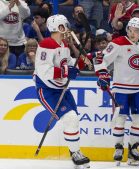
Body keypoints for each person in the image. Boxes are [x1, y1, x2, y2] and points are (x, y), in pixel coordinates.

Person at [33, 14, 90, 169]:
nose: (68, 28)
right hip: (47, 90)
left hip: (62, 88)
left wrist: (81, 64)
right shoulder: (46, 44)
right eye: (65, 25)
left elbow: (68, 63)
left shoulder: (63, 44)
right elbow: (44, 70)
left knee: (74, 119)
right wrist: (66, 72)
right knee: (71, 118)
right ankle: (76, 152)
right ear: (58, 27)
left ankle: (74, 151)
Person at [95, 17, 139, 166]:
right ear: (127, 29)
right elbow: (101, 59)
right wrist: (102, 74)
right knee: (120, 118)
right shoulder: (117, 43)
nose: (133, 33)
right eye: (131, 30)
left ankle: (134, 148)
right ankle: (118, 147)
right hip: (121, 87)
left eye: (136, 30)